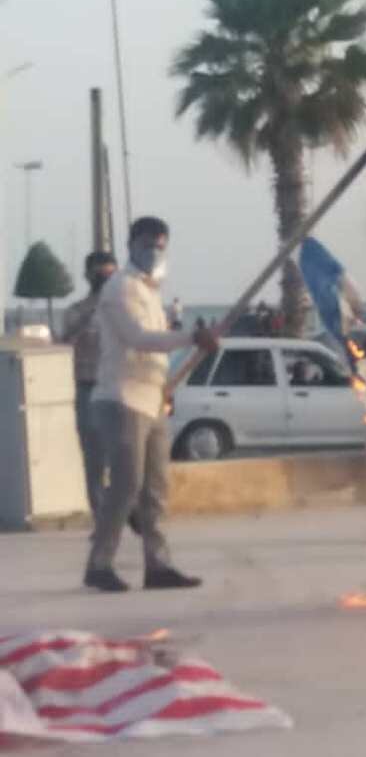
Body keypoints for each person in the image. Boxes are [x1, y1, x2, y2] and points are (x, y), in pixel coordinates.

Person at [84, 216, 219, 593]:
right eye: (146, 243)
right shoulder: (120, 288)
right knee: (126, 484)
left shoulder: (152, 291)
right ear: (131, 244)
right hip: (120, 399)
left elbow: (159, 347)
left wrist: (192, 346)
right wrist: (191, 336)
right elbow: (140, 339)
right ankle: (99, 563)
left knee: (156, 487)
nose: (153, 251)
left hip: (153, 399)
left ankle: (157, 566)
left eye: (160, 245)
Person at [60, 251, 117, 519]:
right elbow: (65, 342)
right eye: (100, 275)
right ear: (88, 276)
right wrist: (94, 309)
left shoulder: (124, 308)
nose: (105, 281)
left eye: (109, 275)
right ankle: (101, 517)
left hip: (118, 388)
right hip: (88, 389)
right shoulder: (77, 310)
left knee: (124, 456)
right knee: (94, 458)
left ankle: (124, 510)